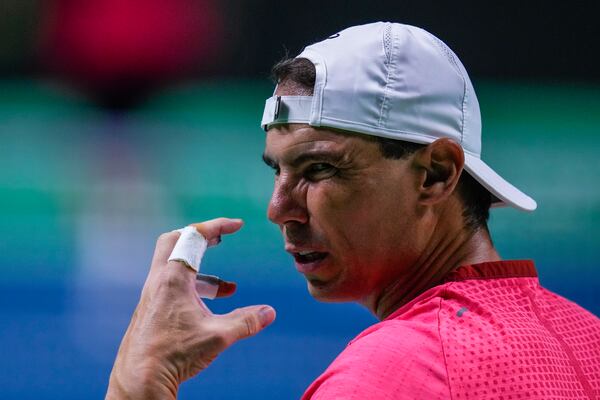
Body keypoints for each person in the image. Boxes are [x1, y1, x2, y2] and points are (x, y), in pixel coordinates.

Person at [106, 22, 600, 399]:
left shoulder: (393, 373)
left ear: (436, 174)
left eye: (319, 169)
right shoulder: (588, 339)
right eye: (276, 171)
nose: (278, 209)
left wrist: (139, 382)